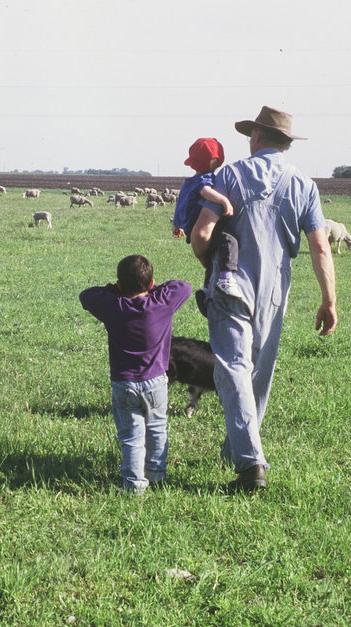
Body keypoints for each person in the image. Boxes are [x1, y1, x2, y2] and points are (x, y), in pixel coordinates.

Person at [189, 106, 337, 493]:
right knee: (258, 372)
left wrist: (209, 262)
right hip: (276, 289)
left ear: (255, 137)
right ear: (286, 143)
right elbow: (320, 246)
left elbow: (202, 233)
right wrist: (329, 300)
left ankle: (250, 463)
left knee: (233, 366)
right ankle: (237, 450)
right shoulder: (304, 185)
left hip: (230, 281)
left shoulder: (229, 174)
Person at [79, 255, 192, 494]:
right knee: (157, 428)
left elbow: (86, 295)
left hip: (124, 382)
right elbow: (184, 286)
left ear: (120, 285)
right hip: (157, 382)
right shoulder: (161, 303)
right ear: (150, 284)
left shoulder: (113, 306)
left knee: (131, 435)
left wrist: (115, 290)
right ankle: (157, 475)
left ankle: (133, 484)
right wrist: (154, 288)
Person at [171, 138, 239, 314]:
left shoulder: (188, 181)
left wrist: (177, 225)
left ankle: (207, 288)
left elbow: (180, 203)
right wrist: (224, 201)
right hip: (198, 223)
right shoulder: (205, 179)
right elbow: (205, 192)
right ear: (215, 161)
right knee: (228, 241)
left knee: (210, 261)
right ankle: (226, 279)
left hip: (189, 226)